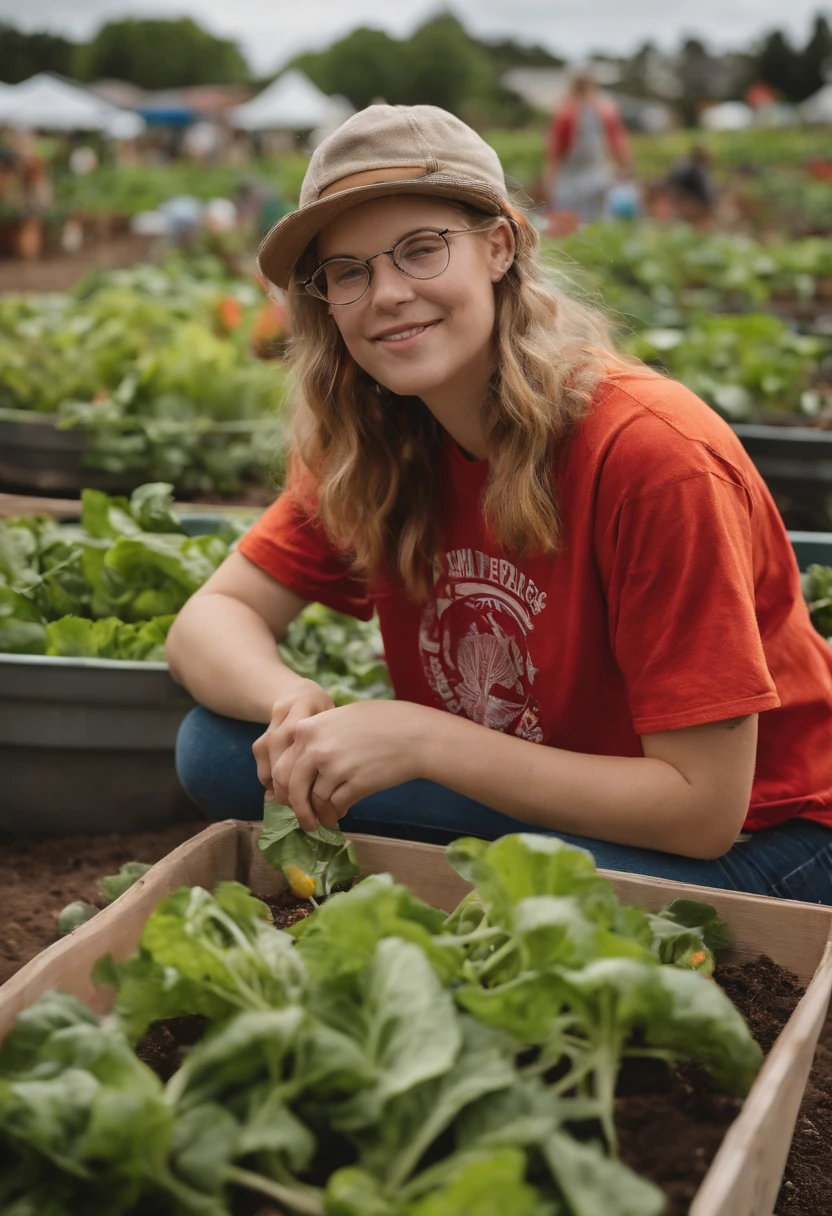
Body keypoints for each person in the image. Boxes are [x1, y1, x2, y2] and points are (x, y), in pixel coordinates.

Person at [167, 103, 832, 903]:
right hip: (552, 799)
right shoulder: (377, 436)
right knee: (221, 745)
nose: (385, 294)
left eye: (419, 251)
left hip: (767, 839)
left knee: (512, 901)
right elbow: (210, 622)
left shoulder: (653, 456)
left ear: (499, 246)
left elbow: (701, 810)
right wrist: (292, 701)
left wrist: (423, 741)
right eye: (348, 271)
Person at [544, 69, 631, 225]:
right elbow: (619, 145)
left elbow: (555, 151)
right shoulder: (603, 109)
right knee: (596, 223)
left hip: (579, 176)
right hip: (591, 174)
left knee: (572, 224)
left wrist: (551, 179)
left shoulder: (566, 111)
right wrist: (626, 166)